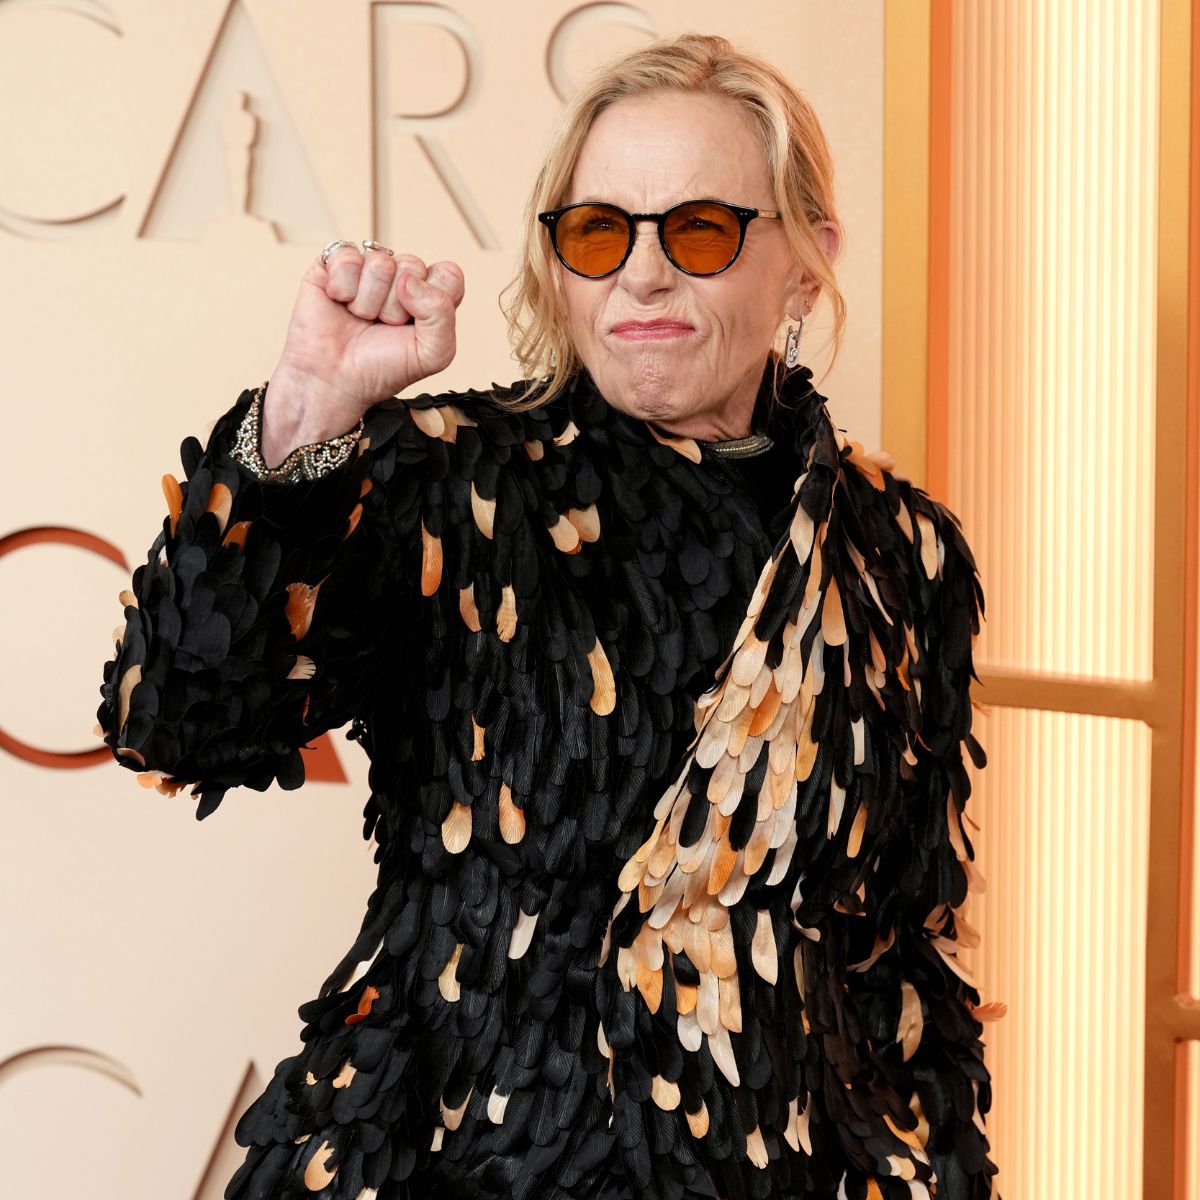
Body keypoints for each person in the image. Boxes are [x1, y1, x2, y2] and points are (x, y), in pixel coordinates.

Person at [98, 32, 998, 1200]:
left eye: (702, 230)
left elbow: (901, 943)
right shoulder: (452, 480)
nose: (643, 276)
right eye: (598, 232)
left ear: (809, 262)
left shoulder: (899, 555)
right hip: (451, 1166)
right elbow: (175, 720)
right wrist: (305, 418)